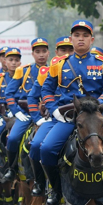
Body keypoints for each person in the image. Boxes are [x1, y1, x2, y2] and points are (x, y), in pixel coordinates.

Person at [39, 20, 103, 205]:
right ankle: (55, 189)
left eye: (85, 35)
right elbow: (46, 90)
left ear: (92, 39)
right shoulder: (59, 64)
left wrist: (97, 106)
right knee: (45, 149)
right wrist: (54, 111)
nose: (81, 39)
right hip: (69, 118)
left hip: (96, 117)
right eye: (77, 35)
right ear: (71, 39)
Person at [0, 38, 50, 183]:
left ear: (48, 53)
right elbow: (9, 93)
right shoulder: (24, 71)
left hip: (48, 115)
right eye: (37, 52)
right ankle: (12, 168)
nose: (41, 55)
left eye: (44, 51)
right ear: (32, 54)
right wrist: (16, 112)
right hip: (26, 114)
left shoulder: (54, 69)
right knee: (14, 138)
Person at [27, 37, 73, 196]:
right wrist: (38, 118)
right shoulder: (48, 71)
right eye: (63, 50)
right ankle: (41, 183)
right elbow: (33, 97)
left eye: (69, 50)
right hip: (55, 119)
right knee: (35, 145)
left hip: (84, 117)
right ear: (56, 52)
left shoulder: (86, 67)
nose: (66, 53)